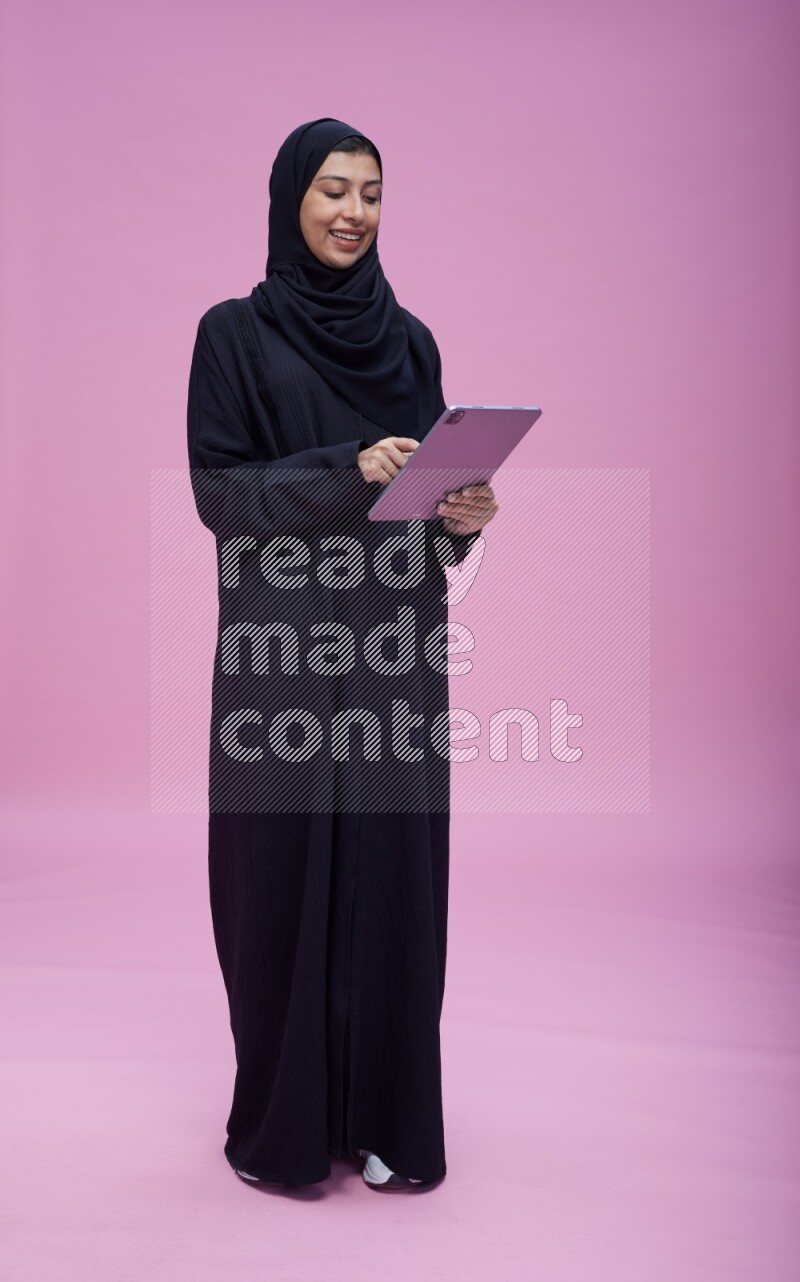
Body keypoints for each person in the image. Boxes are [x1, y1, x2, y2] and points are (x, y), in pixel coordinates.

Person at [186, 117, 499, 1192]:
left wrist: (463, 516)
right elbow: (220, 497)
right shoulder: (231, 335)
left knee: (388, 879)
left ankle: (383, 1122)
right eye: (332, 189)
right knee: (278, 873)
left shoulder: (410, 342)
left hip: (392, 641)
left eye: (370, 193)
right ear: (291, 199)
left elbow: (422, 509)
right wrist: (346, 467)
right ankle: (284, 1127)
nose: (352, 212)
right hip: (280, 647)